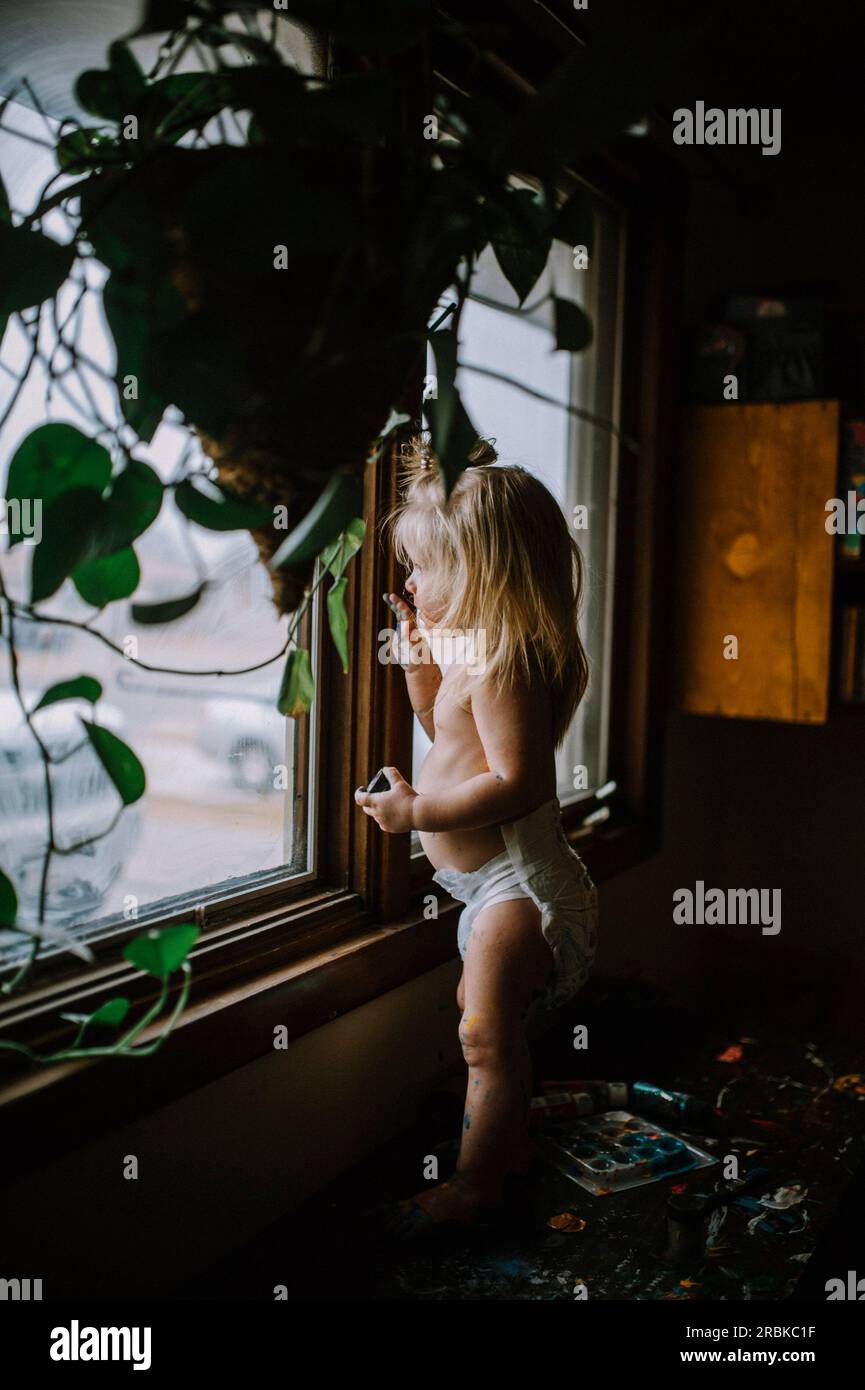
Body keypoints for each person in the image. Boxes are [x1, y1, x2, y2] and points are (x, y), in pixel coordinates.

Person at [354, 433, 599, 1238]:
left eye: (425, 568)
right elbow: (446, 733)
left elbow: (518, 783)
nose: (411, 583)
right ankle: (509, 1145)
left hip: (518, 889)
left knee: (483, 1036)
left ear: (485, 573)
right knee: (485, 1027)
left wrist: (414, 815)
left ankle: (474, 1186)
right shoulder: (476, 659)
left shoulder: (507, 665)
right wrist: (422, 674)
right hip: (485, 888)